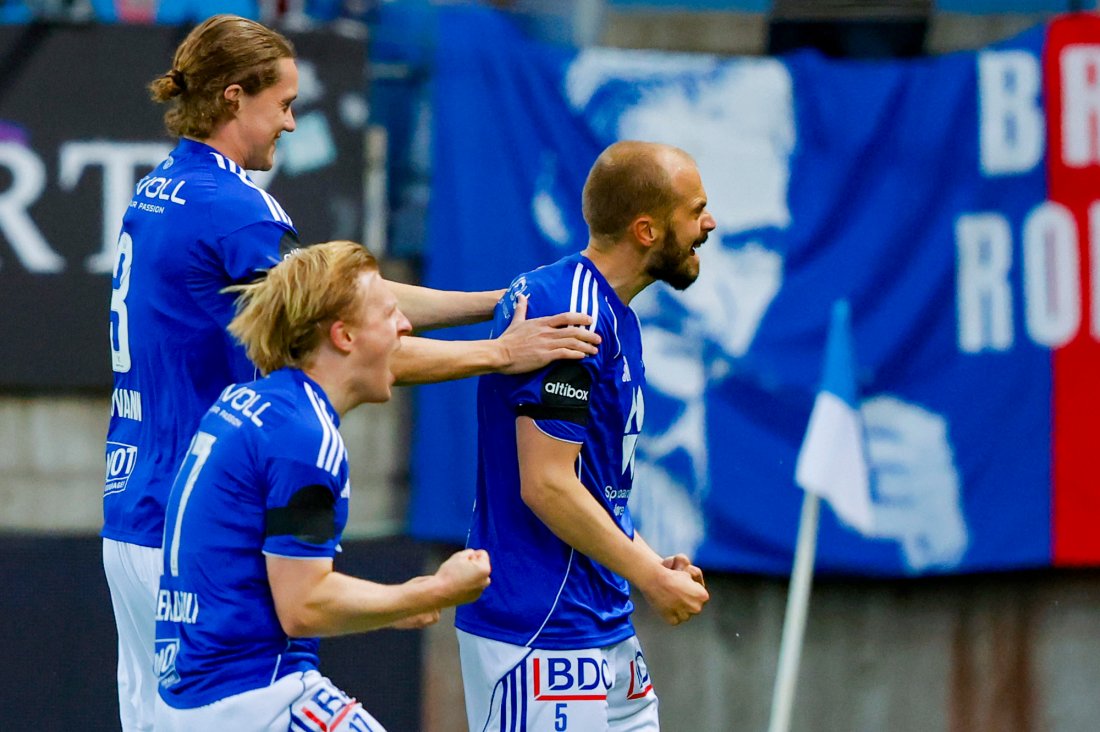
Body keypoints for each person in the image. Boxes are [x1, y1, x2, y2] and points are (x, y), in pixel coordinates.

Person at [102, 14, 598, 732]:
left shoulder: (160, 190)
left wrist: (495, 303)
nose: (294, 124)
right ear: (236, 98)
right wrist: (500, 351)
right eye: (285, 104)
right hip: (200, 521)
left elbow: (351, 309)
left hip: (135, 510)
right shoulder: (238, 215)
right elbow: (347, 330)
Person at [153, 240, 490, 730]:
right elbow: (304, 607)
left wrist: (390, 605)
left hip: (195, 696)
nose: (406, 326)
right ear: (344, 336)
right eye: (390, 313)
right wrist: (435, 591)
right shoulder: (303, 437)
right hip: (253, 696)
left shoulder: (252, 402)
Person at [456, 140, 715, 730]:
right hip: (541, 630)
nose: (709, 223)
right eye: (695, 209)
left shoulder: (613, 312)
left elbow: (593, 486)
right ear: (646, 230)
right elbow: (545, 484)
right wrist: (650, 576)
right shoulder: (569, 310)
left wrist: (650, 560)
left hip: (602, 624)